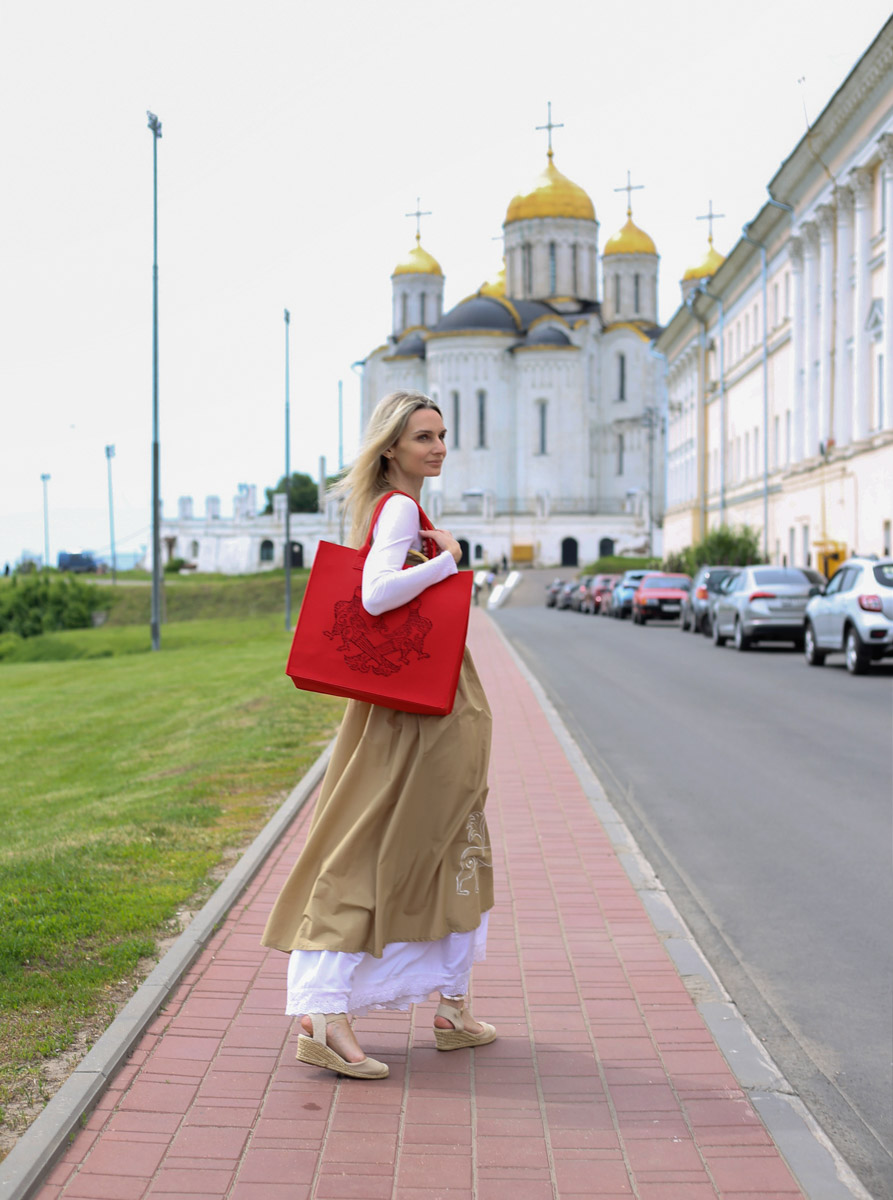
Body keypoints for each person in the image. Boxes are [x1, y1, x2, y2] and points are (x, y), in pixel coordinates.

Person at [262, 390, 495, 1080]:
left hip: (426, 703)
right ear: (391, 446)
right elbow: (375, 593)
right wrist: (448, 562)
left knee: (450, 842)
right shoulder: (399, 510)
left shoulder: (408, 509)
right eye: (423, 436)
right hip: (414, 711)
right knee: (383, 842)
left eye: (442, 435)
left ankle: (452, 1004)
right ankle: (325, 1012)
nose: (438, 447)